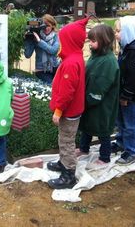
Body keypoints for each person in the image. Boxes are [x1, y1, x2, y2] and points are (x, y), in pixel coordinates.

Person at [47, 18, 88, 189]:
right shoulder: (75, 57)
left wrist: (58, 110)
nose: (59, 44)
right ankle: (63, 162)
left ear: (69, 41)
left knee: (66, 141)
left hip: (68, 112)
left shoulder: (71, 63)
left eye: (61, 41)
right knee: (64, 139)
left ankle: (68, 174)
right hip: (72, 111)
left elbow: (66, 92)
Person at [78, 24, 120, 169]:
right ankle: (84, 148)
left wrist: (89, 99)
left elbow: (101, 85)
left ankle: (105, 157)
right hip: (90, 100)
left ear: (104, 40)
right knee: (87, 125)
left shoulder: (108, 61)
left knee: (103, 130)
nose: (90, 43)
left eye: (93, 40)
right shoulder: (96, 56)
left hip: (102, 103)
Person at [111, 15, 135, 165]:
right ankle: (121, 142)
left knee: (131, 123)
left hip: (130, 97)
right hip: (122, 94)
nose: (115, 34)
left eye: (118, 31)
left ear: (129, 32)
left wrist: (126, 95)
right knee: (121, 121)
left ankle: (131, 150)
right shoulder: (126, 48)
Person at [24, 14, 60, 84]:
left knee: (60, 87)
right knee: (52, 86)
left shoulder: (56, 36)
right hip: (41, 70)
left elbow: (53, 50)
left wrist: (40, 41)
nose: (46, 28)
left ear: (52, 25)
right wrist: (28, 39)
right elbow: (27, 55)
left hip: (55, 67)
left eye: (48, 26)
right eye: (44, 26)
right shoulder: (36, 36)